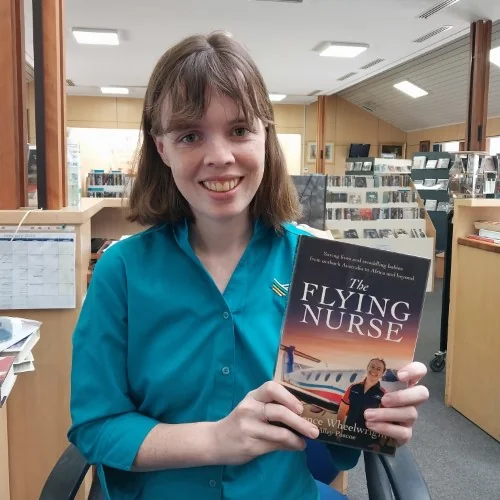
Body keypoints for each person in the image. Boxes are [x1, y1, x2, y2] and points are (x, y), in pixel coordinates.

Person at [68, 32, 429, 500]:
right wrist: (216, 440)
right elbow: (96, 427)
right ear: (162, 149)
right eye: (190, 135)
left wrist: (379, 415)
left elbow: (339, 450)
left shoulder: (320, 266)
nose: (220, 156)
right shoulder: (122, 271)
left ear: (265, 137)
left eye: (239, 130)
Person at [336, 359, 395, 453]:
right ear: (367, 368)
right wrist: (339, 431)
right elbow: (342, 410)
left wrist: (380, 443)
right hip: (347, 436)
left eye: (379, 369)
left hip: (367, 441)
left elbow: (387, 420)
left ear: (383, 373)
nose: (374, 370)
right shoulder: (353, 388)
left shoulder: (383, 395)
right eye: (372, 366)